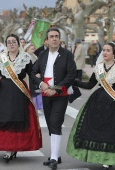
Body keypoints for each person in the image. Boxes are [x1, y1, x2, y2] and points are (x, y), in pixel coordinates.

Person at [66, 42, 115, 169]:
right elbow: (90, 85)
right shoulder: (98, 67)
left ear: (114, 54)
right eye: (104, 50)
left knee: (112, 131)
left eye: (108, 50)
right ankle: (96, 156)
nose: (105, 53)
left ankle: (110, 158)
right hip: (97, 102)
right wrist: (73, 81)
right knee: (96, 130)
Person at [0, 34, 42, 163]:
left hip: (19, 93)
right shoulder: (1, 58)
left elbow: (32, 75)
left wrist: (41, 84)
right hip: (3, 92)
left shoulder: (26, 58)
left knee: (16, 120)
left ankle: (12, 149)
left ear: (18, 43)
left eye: (14, 41)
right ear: (6, 45)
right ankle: (7, 147)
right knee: (1, 118)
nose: (11, 44)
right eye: (9, 42)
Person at [31, 27, 76, 169]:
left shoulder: (67, 55)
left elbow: (71, 75)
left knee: (56, 122)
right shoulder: (43, 55)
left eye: (57, 36)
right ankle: (55, 154)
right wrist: (42, 84)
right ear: (47, 40)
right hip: (45, 95)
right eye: (52, 36)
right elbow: (32, 72)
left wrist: (55, 89)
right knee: (51, 124)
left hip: (61, 95)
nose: (54, 39)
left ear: (59, 39)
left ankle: (54, 158)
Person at [24, 43, 43, 110]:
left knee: (35, 91)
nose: (33, 50)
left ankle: (36, 106)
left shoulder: (34, 56)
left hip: (34, 77)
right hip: (27, 77)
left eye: (34, 49)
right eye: (31, 49)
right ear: (27, 49)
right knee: (30, 91)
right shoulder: (25, 57)